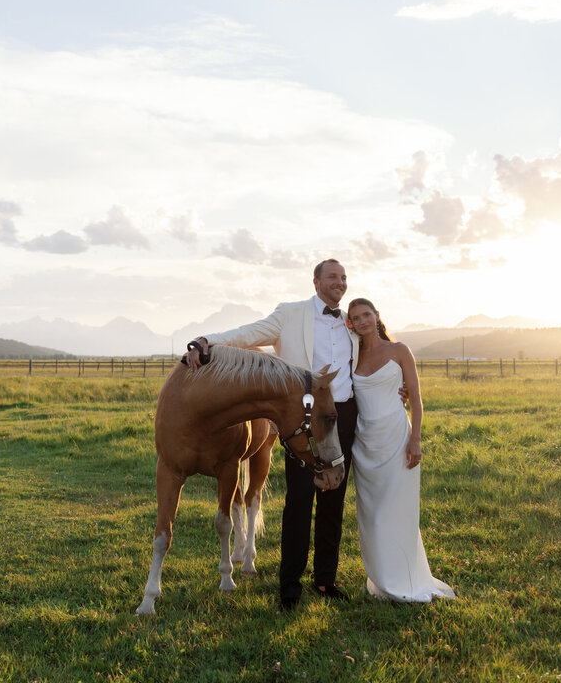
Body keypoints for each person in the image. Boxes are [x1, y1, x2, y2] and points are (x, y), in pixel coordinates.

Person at [184, 259, 359, 610]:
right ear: (316, 282)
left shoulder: (353, 321)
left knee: (333, 502)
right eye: (332, 277)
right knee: (298, 502)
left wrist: (397, 387)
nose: (339, 283)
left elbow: (375, 355)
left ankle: (325, 579)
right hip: (304, 419)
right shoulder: (290, 314)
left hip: (345, 412)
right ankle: (290, 588)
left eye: (343, 278)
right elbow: (249, 333)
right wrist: (208, 341)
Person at [345, 297, 455, 602]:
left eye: (367, 314)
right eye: (356, 317)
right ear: (350, 323)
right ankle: (382, 580)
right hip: (364, 444)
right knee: (371, 516)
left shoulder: (399, 351)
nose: (363, 320)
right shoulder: (351, 354)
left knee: (398, 513)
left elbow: (416, 398)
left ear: (377, 315)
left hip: (396, 439)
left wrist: (415, 438)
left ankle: (405, 579)